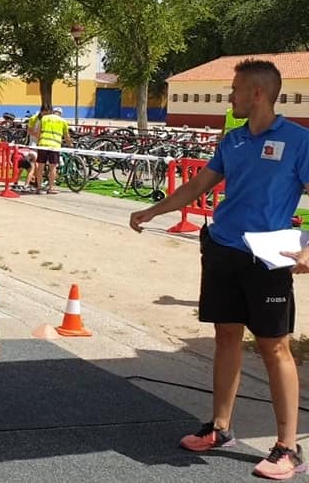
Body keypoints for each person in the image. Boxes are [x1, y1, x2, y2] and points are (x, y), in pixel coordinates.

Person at [130, 59, 309, 480]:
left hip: (269, 259)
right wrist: (153, 211)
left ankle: (287, 447)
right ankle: (220, 428)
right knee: (226, 335)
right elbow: (197, 186)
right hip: (224, 250)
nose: (230, 96)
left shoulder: (300, 141)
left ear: (258, 93)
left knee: (274, 347)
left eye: (235, 90)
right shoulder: (233, 140)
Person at [33, 107, 72, 194]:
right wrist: (70, 145)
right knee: (53, 167)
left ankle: (39, 188)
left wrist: (38, 143)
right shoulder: (63, 121)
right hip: (54, 146)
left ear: (53, 112)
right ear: (60, 114)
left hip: (43, 144)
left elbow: (38, 132)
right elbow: (66, 136)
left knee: (40, 167)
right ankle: (51, 188)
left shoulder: (44, 118)